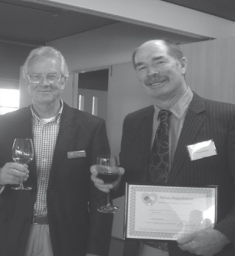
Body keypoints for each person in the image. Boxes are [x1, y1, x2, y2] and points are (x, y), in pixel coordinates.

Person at [91, 39, 235, 256]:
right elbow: (134, 179)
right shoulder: (133, 122)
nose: (151, 72)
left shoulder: (227, 118)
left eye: (159, 62)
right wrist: (114, 182)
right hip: (141, 247)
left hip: (204, 249)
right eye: (142, 67)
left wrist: (224, 234)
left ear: (182, 65)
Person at [0, 46, 113, 256]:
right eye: (36, 76)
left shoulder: (91, 127)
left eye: (52, 76)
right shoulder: (4, 124)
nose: (44, 83)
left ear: (64, 80)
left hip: (69, 236)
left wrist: (96, 248)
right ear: (27, 81)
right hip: (11, 234)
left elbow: (100, 194)